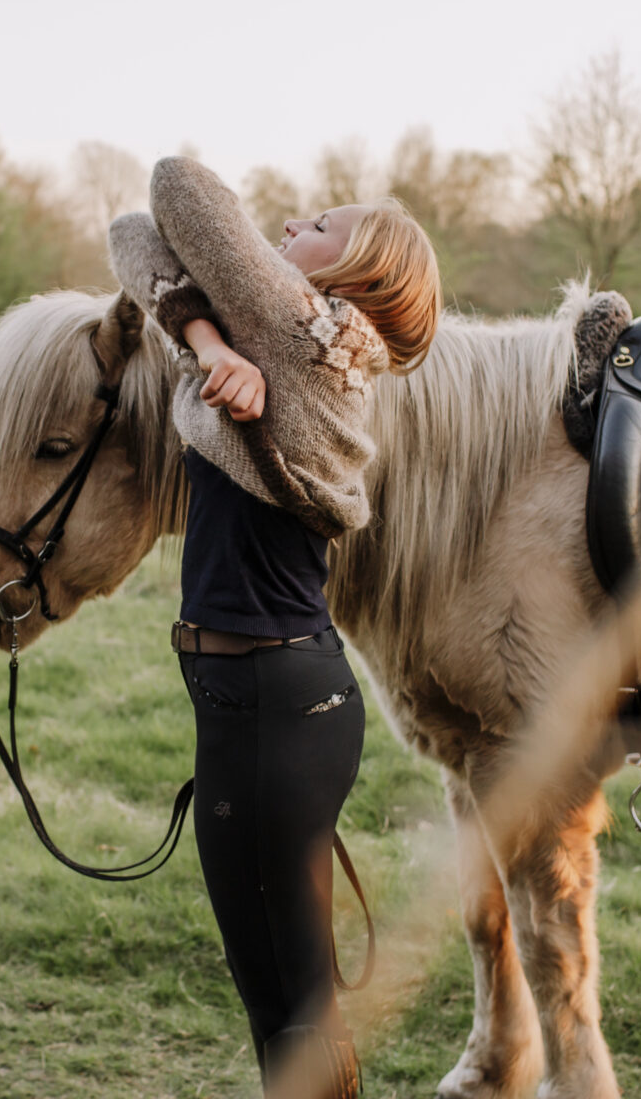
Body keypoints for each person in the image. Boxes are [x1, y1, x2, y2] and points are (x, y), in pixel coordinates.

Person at [110, 157, 441, 1098]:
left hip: (274, 705)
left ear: (353, 274)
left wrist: (219, 334)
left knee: (294, 1004)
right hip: (260, 700)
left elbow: (176, 185)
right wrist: (211, 346)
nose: (297, 219)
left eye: (323, 224)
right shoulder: (286, 337)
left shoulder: (305, 336)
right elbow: (129, 239)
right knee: (277, 996)